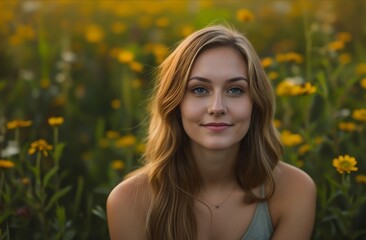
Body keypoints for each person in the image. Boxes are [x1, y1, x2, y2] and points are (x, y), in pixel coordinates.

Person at [107, 24, 316, 240]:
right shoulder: (128, 201)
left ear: (256, 103)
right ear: (175, 103)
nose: (217, 107)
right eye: (199, 89)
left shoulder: (294, 190)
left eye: (235, 90)